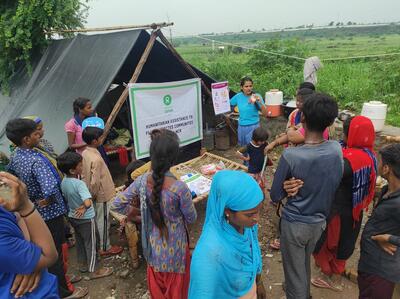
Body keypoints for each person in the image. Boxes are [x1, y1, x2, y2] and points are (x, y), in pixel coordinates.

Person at [270, 93, 342, 299]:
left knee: (294, 274)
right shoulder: (336, 149)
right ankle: (303, 292)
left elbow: (275, 195)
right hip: (319, 223)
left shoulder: (292, 155)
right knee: (302, 264)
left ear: (302, 120)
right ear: (330, 122)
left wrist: (285, 186)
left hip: (295, 224)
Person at [6, 118, 87, 298]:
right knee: (54, 252)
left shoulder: (16, 155)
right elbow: (49, 187)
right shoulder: (36, 160)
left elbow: (11, 174)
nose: (39, 136)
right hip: (49, 213)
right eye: (36, 134)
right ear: (26, 139)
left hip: (31, 213)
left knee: (46, 249)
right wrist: (47, 199)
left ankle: (61, 279)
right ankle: (64, 291)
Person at [111, 129, 197, 299]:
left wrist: (138, 214)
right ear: (174, 157)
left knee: (158, 292)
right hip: (176, 252)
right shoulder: (179, 188)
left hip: (152, 250)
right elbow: (192, 218)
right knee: (177, 293)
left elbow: (116, 204)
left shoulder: (142, 180)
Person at [311, 116, 377, 291]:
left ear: (351, 134)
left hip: (338, 211)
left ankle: (332, 276)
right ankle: (335, 272)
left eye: (345, 133)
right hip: (355, 210)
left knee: (328, 243)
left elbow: (324, 176)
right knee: (344, 242)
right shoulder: (370, 154)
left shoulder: (351, 159)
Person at [189, 170, 266, 299]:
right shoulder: (209, 254)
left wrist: (258, 282)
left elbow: (254, 252)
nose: (257, 218)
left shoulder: (248, 226)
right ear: (227, 211)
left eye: (259, 211)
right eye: (250, 214)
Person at [0, 172, 59, 299]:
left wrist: (30, 258)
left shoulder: (3, 189)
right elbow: (49, 256)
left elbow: (15, 212)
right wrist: (26, 206)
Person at [57, 152, 113, 279]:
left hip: (73, 216)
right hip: (86, 218)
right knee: (91, 243)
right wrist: (83, 207)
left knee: (81, 242)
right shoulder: (79, 184)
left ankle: (82, 265)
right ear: (72, 169)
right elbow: (87, 202)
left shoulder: (64, 181)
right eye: (80, 165)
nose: (82, 167)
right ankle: (94, 270)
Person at [357, 143, 400, 299]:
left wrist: (389, 238)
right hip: (370, 264)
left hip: (381, 272)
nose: (377, 164)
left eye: (379, 161)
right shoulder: (386, 190)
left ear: (387, 168)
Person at [80, 117, 123, 257]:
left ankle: (103, 241)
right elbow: (94, 181)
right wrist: (93, 194)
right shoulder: (97, 158)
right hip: (102, 194)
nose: (101, 139)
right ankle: (105, 247)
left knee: (101, 217)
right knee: (103, 219)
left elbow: (85, 175)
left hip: (98, 191)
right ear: (94, 141)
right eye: (100, 138)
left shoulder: (86, 152)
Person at [230, 76, 267, 146]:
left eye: (250, 86)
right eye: (246, 86)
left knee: (253, 148)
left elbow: (265, 114)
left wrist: (260, 102)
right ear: (241, 87)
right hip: (241, 127)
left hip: (253, 127)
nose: (249, 88)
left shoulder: (256, 96)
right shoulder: (238, 96)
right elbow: (228, 104)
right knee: (243, 148)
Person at [236, 126, 271, 192]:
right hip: (252, 170)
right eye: (262, 141)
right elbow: (237, 153)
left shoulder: (264, 144)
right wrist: (245, 158)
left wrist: (268, 150)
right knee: (251, 185)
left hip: (261, 170)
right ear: (256, 139)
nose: (264, 142)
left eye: (264, 141)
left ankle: (260, 195)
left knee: (261, 185)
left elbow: (269, 147)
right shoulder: (249, 146)